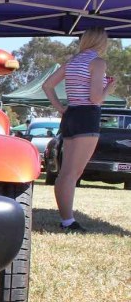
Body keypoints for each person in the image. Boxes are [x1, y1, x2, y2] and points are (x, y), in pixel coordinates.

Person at [41, 27, 116, 232]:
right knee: (72, 173)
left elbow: (48, 85)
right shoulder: (98, 62)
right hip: (87, 116)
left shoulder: (72, 62)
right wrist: (110, 87)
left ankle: (67, 218)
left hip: (71, 114)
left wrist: (61, 108)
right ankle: (68, 221)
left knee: (66, 172)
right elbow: (95, 98)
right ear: (101, 42)